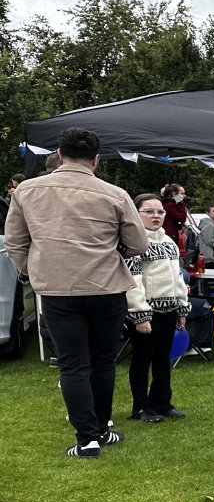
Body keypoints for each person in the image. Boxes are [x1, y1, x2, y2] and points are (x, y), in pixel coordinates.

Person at [4, 126, 148, 457]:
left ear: (58, 154)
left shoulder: (26, 191)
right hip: (107, 287)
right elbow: (138, 243)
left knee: (72, 363)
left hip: (56, 289)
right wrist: (114, 252)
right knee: (102, 361)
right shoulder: (114, 193)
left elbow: (15, 241)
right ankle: (99, 428)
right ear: (96, 160)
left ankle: (87, 438)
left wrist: (31, 269)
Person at [124, 193, 189, 422]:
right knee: (142, 359)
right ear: (136, 213)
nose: (156, 215)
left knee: (163, 358)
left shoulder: (169, 242)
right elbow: (132, 280)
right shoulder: (133, 242)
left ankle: (161, 403)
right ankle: (140, 408)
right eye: (149, 211)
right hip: (146, 312)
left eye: (160, 211)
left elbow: (177, 278)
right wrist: (140, 314)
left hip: (169, 309)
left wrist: (182, 307)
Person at [160, 183, 190, 248]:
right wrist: (181, 203)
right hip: (170, 234)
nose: (184, 196)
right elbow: (182, 218)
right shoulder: (169, 205)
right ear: (173, 194)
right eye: (181, 194)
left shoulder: (169, 204)